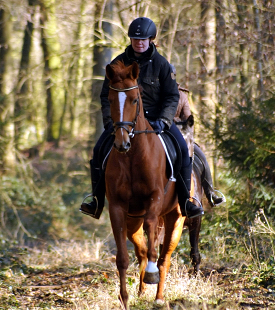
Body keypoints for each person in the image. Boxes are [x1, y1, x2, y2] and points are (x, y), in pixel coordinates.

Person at [80, 17, 204, 220]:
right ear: (130, 40)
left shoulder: (162, 65)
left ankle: (186, 202)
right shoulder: (117, 64)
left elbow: (172, 96)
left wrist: (164, 120)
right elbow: (106, 96)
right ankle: (96, 200)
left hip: (157, 121)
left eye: (143, 39)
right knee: (98, 149)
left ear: (151, 39)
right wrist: (109, 122)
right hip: (123, 122)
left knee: (182, 149)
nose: (139, 42)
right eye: (135, 39)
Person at [171, 64, 225, 208]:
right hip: (160, 130)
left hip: (180, 130)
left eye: (171, 76)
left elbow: (187, 114)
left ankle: (210, 194)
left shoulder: (182, 95)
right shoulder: (156, 93)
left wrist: (188, 121)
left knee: (201, 155)